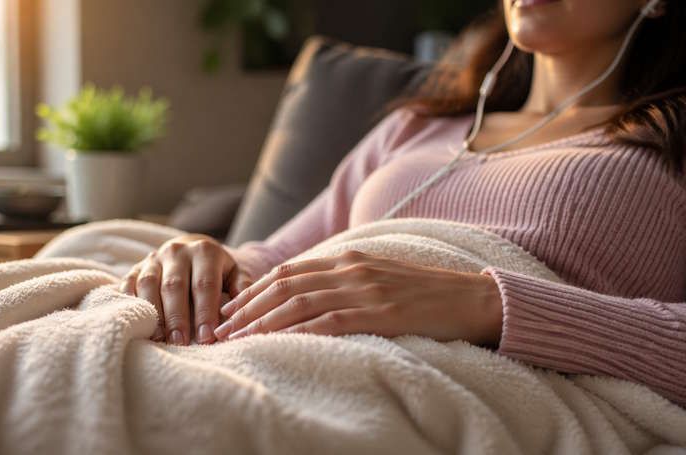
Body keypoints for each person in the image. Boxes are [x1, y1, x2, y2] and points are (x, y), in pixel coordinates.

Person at [121, 0, 686, 406]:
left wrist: (486, 304)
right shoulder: (413, 128)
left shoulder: (672, 138)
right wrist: (208, 260)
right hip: (275, 345)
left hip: (429, 385)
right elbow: (277, 252)